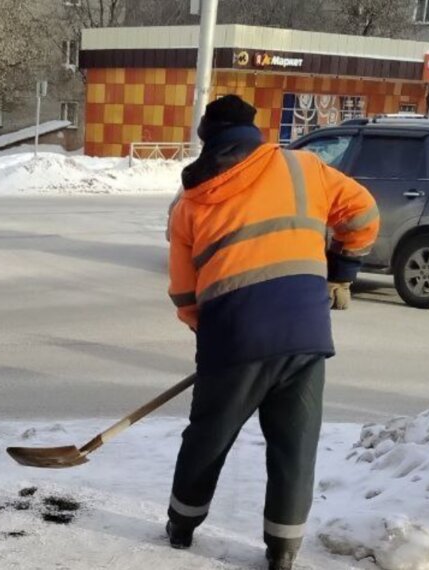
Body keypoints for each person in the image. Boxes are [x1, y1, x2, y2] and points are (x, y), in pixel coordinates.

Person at [165, 95, 379, 570]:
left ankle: (182, 526)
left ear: (206, 139)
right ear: (253, 130)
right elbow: (364, 214)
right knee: (294, 447)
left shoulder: (190, 202)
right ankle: (283, 550)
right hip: (305, 333)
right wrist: (341, 271)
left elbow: (183, 292)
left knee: (208, 438)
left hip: (233, 336)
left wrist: (208, 333)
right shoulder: (305, 168)